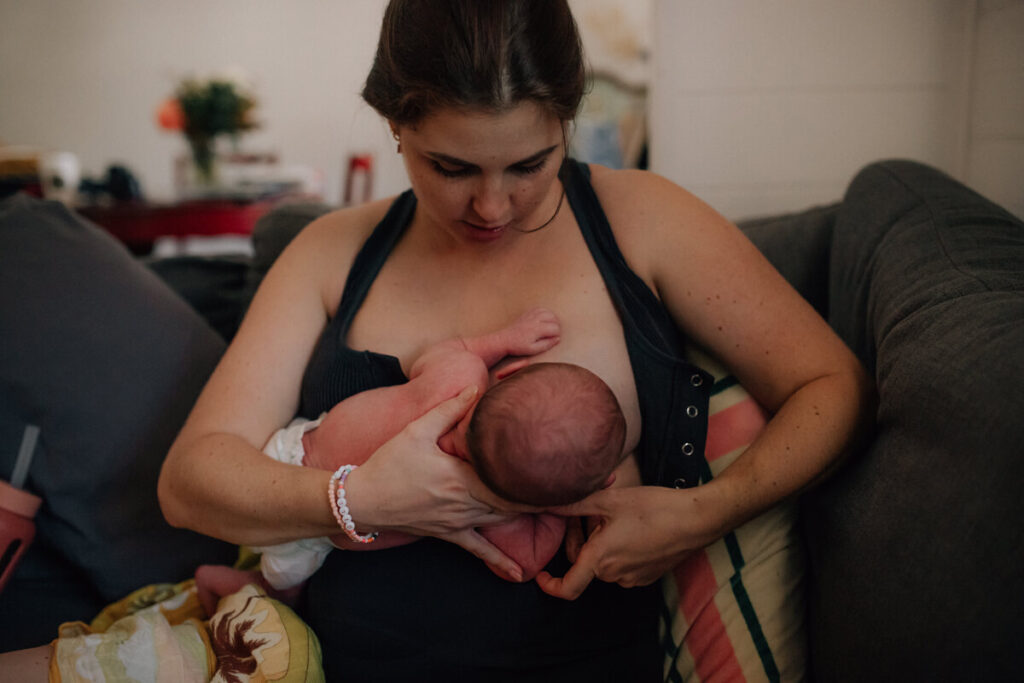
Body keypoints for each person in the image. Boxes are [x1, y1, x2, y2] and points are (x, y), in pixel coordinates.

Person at [3, 0, 871, 679]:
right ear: (394, 125)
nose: (492, 208)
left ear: (569, 117)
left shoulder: (644, 220)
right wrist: (360, 501)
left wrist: (701, 513)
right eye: (451, 167)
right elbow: (192, 480)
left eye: (529, 165)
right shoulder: (333, 251)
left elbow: (830, 382)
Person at [194, 308, 628, 614]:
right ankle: (227, 580)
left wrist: (500, 341)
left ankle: (223, 572)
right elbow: (524, 566)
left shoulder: (462, 379)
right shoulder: (494, 508)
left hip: (290, 445)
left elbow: (442, 351)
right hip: (305, 531)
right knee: (282, 594)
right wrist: (555, 506)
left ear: (510, 373)